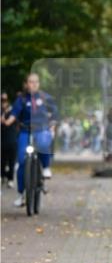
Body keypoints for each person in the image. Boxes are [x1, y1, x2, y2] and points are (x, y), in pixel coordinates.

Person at [3, 73, 58, 207]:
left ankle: (45, 167)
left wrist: (53, 126)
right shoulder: (21, 100)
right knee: (22, 161)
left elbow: (54, 114)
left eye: (36, 82)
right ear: (26, 84)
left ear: (39, 84)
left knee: (45, 143)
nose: (33, 84)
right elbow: (14, 114)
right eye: (30, 82)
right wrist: (7, 121)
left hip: (42, 129)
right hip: (25, 131)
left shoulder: (45, 98)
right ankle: (21, 194)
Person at [2, 93, 18, 188]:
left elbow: (10, 122)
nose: (3, 102)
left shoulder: (14, 112)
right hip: (2, 141)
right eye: (2, 100)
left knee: (12, 162)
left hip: (12, 140)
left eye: (5, 100)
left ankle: (10, 179)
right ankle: (3, 175)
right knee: (2, 162)